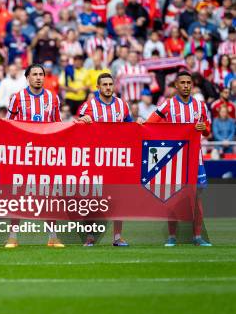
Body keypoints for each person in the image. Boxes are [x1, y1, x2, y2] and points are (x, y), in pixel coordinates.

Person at [144, 70, 212, 247]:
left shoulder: (200, 106)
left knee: (197, 197)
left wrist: (203, 127)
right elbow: (151, 124)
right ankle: (172, 237)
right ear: (176, 85)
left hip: (195, 158)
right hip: (176, 158)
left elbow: (207, 131)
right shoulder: (168, 105)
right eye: (183, 83)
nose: (186, 86)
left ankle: (197, 237)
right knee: (173, 197)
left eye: (189, 83)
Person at [5, 64, 64, 249]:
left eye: (41, 74)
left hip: (46, 154)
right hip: (24, 154)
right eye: (35, 74)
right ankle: (13, 237)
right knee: (19, 194)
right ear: (27, 77)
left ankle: (52, 237)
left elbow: (58, 124)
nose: (38, 77)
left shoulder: (52, 98)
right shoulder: (17, 98)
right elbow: (8, 125)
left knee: (48, 195)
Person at [78, 72, 133, 247]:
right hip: (95, 159)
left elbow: (131, 128)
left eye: (110, 84)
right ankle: (90, 236)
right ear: (98, 87)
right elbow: (75, 127)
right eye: (105, 85)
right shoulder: (89, 106)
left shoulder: (122, 105)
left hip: (117, 158)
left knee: (118, 199)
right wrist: (81, 120)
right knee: (93, 198)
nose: (108, 87)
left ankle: (117, 237)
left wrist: (138, 123)